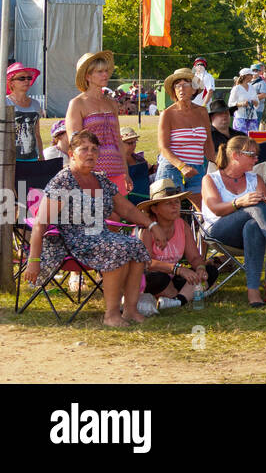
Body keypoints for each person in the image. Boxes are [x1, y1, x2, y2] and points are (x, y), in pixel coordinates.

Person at [21, 129, 162, 326]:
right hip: (70, 241)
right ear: (71, 153)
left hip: (99, 235)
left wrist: (152, 224)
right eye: (84, 149)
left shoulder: (100, 179)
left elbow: (127, 209)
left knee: (135, 245)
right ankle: (111, 314)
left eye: (94, 149)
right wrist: (33, 259)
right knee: (117, 248)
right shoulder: (64, 181)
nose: (90, 153)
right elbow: (40, 223)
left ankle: (130, 309)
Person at [201, 135, 266, 306]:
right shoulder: (211, 179)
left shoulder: (254, 179)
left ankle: (253, 292)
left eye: (257, 155)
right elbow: (215, 208)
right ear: (235, 155)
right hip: (219, 232)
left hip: (252, 233)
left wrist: (264, 204)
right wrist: (240, 202)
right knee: (254, 203)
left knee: (253, 226)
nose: (256, 159)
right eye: (252, 155)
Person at [136, 177, 207, 312]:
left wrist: (200, 268)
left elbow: (194, 258)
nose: (175, 206)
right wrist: (178, 269)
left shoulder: (182, 225)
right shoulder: (147, 228)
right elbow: (147, 263)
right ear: (155, 209)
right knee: (160, 279)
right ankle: (184, 295)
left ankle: (177, 300)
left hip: (174, 276)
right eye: (168, 203)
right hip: (153, 276)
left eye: (177, 202)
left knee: (209, 272)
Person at [66, 50, 128, 196]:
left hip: (116, 168)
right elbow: (74, 142)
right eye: (99, 72)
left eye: (106, 71)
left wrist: (126, 171)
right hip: (91, 170)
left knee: (119, 215)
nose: (105, 75)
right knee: (96, 214)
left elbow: (118, 139)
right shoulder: (77, 103)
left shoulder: (111, 103)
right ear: (87, 76)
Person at [157, 68, 216, 203]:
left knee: (203, 209)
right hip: (172, 168)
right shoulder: (167, 114)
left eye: (185, 84)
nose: (180, 88)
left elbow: (208, 143)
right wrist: (182, 166)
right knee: (171, 211)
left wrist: (216, 165)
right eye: (177, 85)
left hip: (197, 167)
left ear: (194, 89)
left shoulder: (202, 112)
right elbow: (163, 148)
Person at [7, 62, 43, 160]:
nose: (26, 81)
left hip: (32, 158)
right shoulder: (4, 103)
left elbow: (37, 133)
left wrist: (41, 154)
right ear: (11, 82)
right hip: (10, 159)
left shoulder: (36, 104)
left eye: (29, 78)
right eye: (22, 78)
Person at [228, 68, 262, 134]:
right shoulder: (236, 88)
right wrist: (242, 104)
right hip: (240, 117)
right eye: (251, 75)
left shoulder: (252, 87)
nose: (252, 76)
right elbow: (230, 104)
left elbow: (257, 102)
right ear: (246, 76)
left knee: (253, 138)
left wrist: (255, 102)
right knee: (241, 139)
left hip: (252, 117)